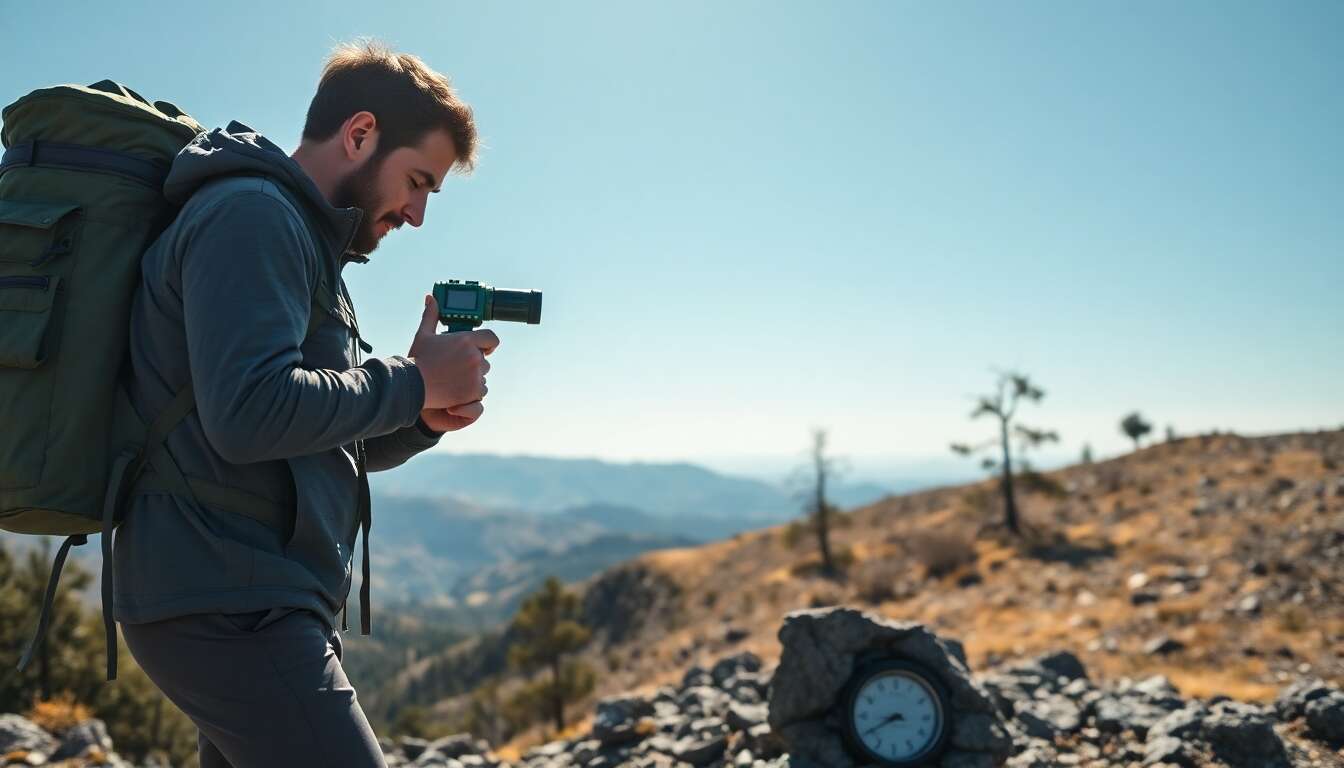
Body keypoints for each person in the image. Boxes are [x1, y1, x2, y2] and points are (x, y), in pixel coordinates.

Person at [112, 40, 493, 767]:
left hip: (244, 593)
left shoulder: (304, 242)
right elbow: (250, 412)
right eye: (418, 182)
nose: (416, 215)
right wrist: (411, 381)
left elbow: (310, 433)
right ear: (360, 134)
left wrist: (418, 417)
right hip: (228, 600)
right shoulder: (252, 216)